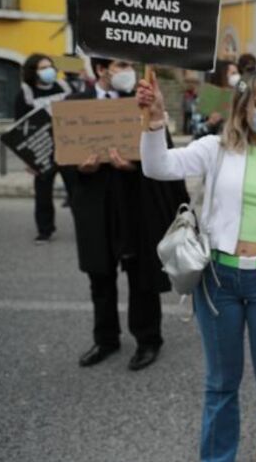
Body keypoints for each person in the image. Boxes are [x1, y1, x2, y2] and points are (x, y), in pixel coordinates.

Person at [137, 71, 256, 462]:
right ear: (243, 108)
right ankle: (216, 460)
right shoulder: (215, 149)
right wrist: (154, 122)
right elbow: (158, 167)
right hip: (218, 279)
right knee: (221, 383)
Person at [63, 57, 189, 371]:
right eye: (120, 65)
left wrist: (134, 165)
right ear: (101, 69)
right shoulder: (75, 105)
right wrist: (80, 167)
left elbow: (165, 152)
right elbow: (62, 153)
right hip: (96, 204)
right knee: (99, 274)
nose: (127, 71)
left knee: (141, 275)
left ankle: (148, 339)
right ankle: (105, 339)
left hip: (135, 202)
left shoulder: (143, 102)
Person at [14, 53, 73, 243]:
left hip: (68, 146)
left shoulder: (64, 87)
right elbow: (21, 129)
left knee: (78, 191)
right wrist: (28, 159)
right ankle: (45, 230)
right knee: (43, 193)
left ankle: (86, 227)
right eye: (43, 67)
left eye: (50, 66)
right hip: (43, 150)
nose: (49, 70)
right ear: (33, 71)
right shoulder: (25, 93)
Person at [193, 60, 240, 139]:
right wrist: (210, 123)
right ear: (222, 75)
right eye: (233, 73)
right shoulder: (207, 97)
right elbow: (195, 130)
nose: (237, 76)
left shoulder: (240, 96)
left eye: (237, 73)